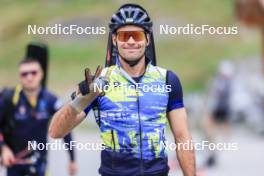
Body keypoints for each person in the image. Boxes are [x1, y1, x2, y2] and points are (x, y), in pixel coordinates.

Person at [49, 3, 196, 176]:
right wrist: (79, 101)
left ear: (147, 39)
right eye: (125, 36)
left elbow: (183, 138)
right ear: (114, 40)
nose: (131, 41)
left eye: (137, 35)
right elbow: (55, 132)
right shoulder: (99, 82)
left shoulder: (167, 80)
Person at [0, 58, 77, 176]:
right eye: (24, 74)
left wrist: (72, 159)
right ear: (20, 76)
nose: (29, 77)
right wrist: (3, 149)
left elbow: (65, 129)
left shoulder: (51, 100)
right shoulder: (9, 99)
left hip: (40, 165)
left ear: (41, 74)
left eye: (34, 72)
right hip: (15, 165)